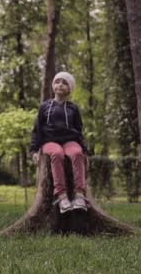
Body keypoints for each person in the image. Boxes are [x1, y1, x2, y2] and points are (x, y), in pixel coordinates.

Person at [30, 71, 89, 213]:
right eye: (57, 82)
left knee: (76, 152)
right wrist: (34, 150)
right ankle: (62, 196)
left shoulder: (73, 108)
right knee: (57, 153)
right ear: (53, 86)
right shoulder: (45, 106)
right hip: (49, 142)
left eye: (64, 83)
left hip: (70, 141)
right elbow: (37, 130)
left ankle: (79, 195)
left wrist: (85, 151)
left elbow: (79, 131)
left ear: (70, 88)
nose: (60, 85)